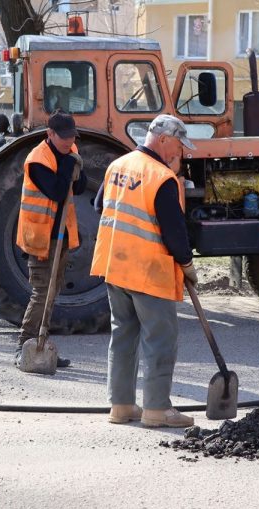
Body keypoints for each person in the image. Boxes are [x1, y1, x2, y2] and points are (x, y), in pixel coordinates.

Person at [91, 114, 198, 428]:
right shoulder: (161, 177)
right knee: (159, 337)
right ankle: (156, 409)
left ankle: (121, 405)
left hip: (115, 265)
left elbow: (101, 207)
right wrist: (187, 266)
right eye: (178, 146)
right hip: (148, 271)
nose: (179, 153)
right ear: (163, 139)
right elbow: (175, 232)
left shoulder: (118, 166)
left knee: (123, 334)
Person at [14, 110, 87, 369]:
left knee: (52, 292)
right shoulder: (38, 160)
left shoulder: (70, 151)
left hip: (61, 236)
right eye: (64, 137)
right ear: (50, 134)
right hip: (41, 237)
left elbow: (78, 187)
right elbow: (56, 191)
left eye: (72, 136)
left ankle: (42, 344)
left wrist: (74, 165)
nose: (69, 142)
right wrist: (69, 164)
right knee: (42, 292)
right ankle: (25, 345)